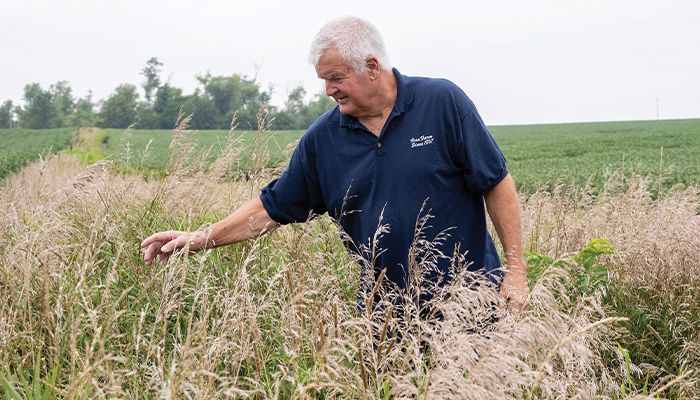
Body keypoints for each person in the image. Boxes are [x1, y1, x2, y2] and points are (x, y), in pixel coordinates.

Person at [141, 16, 528, 314]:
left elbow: (495, 182)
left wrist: (516, 271)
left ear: (372, 66)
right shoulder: (323, 140)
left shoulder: (442, 102)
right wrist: (198, 239)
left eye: (336, 77)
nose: (328, 90)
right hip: (386, 317)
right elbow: (270, 209)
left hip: (469, 300)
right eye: (324, 80)